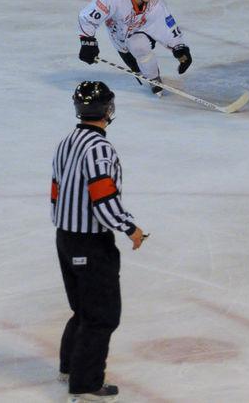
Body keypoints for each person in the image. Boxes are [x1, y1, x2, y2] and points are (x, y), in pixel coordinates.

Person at [51, 81, 147, 402]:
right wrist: (129, 227)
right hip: (90, 243)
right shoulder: (99, 149)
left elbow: (56, 191)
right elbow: (102, 198)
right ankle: (85, 383)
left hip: (65, 237)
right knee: (102, 315)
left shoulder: (66, 142)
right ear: (108, 109)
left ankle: (70, 367)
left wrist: (66, 228)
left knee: (83, 309)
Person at [77, 0, 192, 96]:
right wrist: (87, 41)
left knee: (138, 45)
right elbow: (88, 18)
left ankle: (155, 80)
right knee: (138, 71)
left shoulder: (155, 2)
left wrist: (179, 48)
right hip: (120, 40)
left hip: (141, 33)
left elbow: (167, 25)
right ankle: (147, 74)